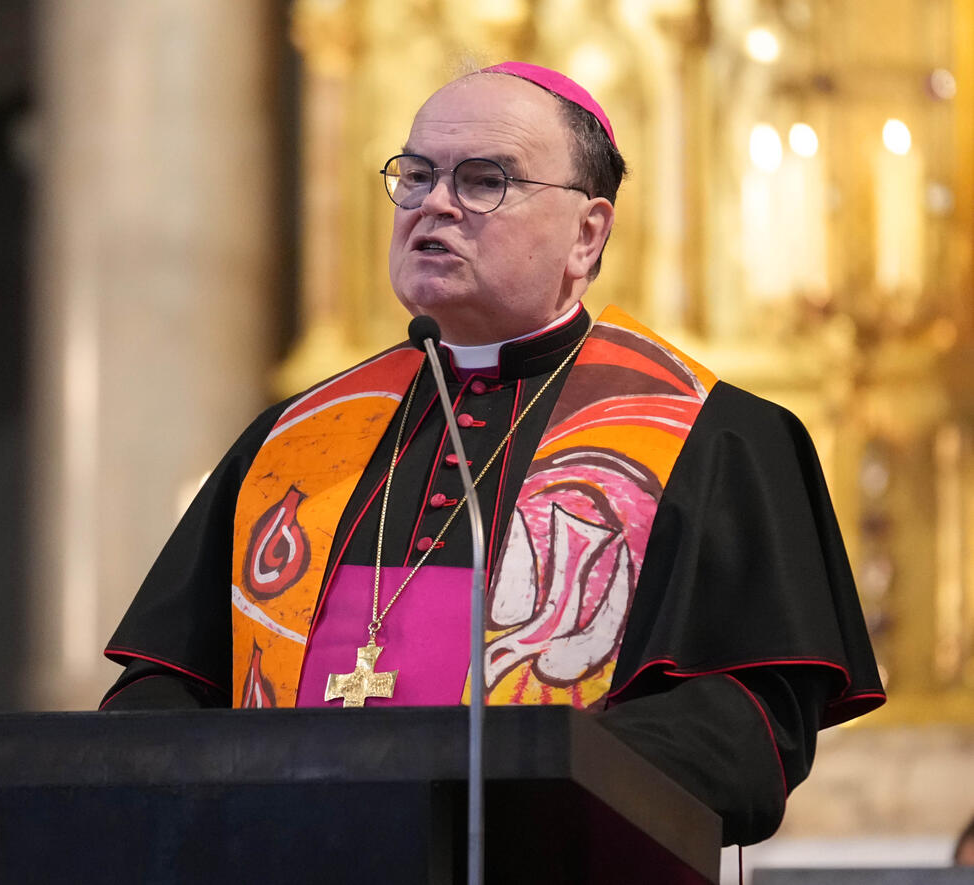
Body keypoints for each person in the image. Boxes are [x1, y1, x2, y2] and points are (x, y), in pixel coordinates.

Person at [100, 61, 885, 846]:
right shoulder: (296, 439)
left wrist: (488, 788)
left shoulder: (716, 439)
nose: (434, 203)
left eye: (484, 180)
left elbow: (743, 740)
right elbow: (161, 691)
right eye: (416, 175)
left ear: (588, 233)